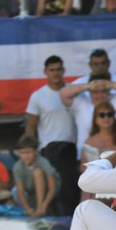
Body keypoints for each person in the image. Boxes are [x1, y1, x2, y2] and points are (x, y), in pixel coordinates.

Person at [25, 55, 79, 214]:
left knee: (72, 188)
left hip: (72, 153)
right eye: (52, 70)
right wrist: (32, 152)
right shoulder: (37, 96)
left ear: (64, 70)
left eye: (58, 69)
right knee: (53, 189)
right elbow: (31, 127)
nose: (56, 73)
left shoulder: (73, 92)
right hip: (48, 152)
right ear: (45, 72)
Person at [60, 72, 116, 160]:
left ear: (109, 91)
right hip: (88, 159)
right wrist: (87, 86)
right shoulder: (81, 104)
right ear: (89, 93)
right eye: (95, 92)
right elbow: (63, 94)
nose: (100, 95)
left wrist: (111, 85)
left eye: (103, 91)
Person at [13, 135, 61, 218]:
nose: (26, 156)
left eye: (29, 152)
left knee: (37, 172)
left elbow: (52, 188)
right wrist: (27, 208)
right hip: (30, 190)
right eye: (23, 153)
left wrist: (43, 206)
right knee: (14, 191)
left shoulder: (43, 162)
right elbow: (20, 192)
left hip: (47, 190)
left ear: (35, 152)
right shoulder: (18, 167)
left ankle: (39, 208)